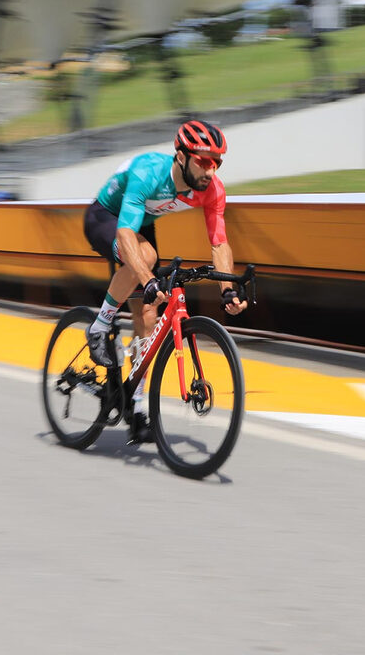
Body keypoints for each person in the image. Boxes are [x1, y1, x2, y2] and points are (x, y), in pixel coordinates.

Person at [82, 120, 248, 443]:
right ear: (182, 157)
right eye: (203, 162)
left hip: (140, 222)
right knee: (146, 260)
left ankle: (138, 407)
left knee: (148, 317)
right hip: (106, 217)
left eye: (216, 163)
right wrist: (147, 281)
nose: (210, 172)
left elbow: (219, 243)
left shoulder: (210, 189)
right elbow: (125, 232)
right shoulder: (149, 172)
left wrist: (227, 289)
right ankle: (100, 327)